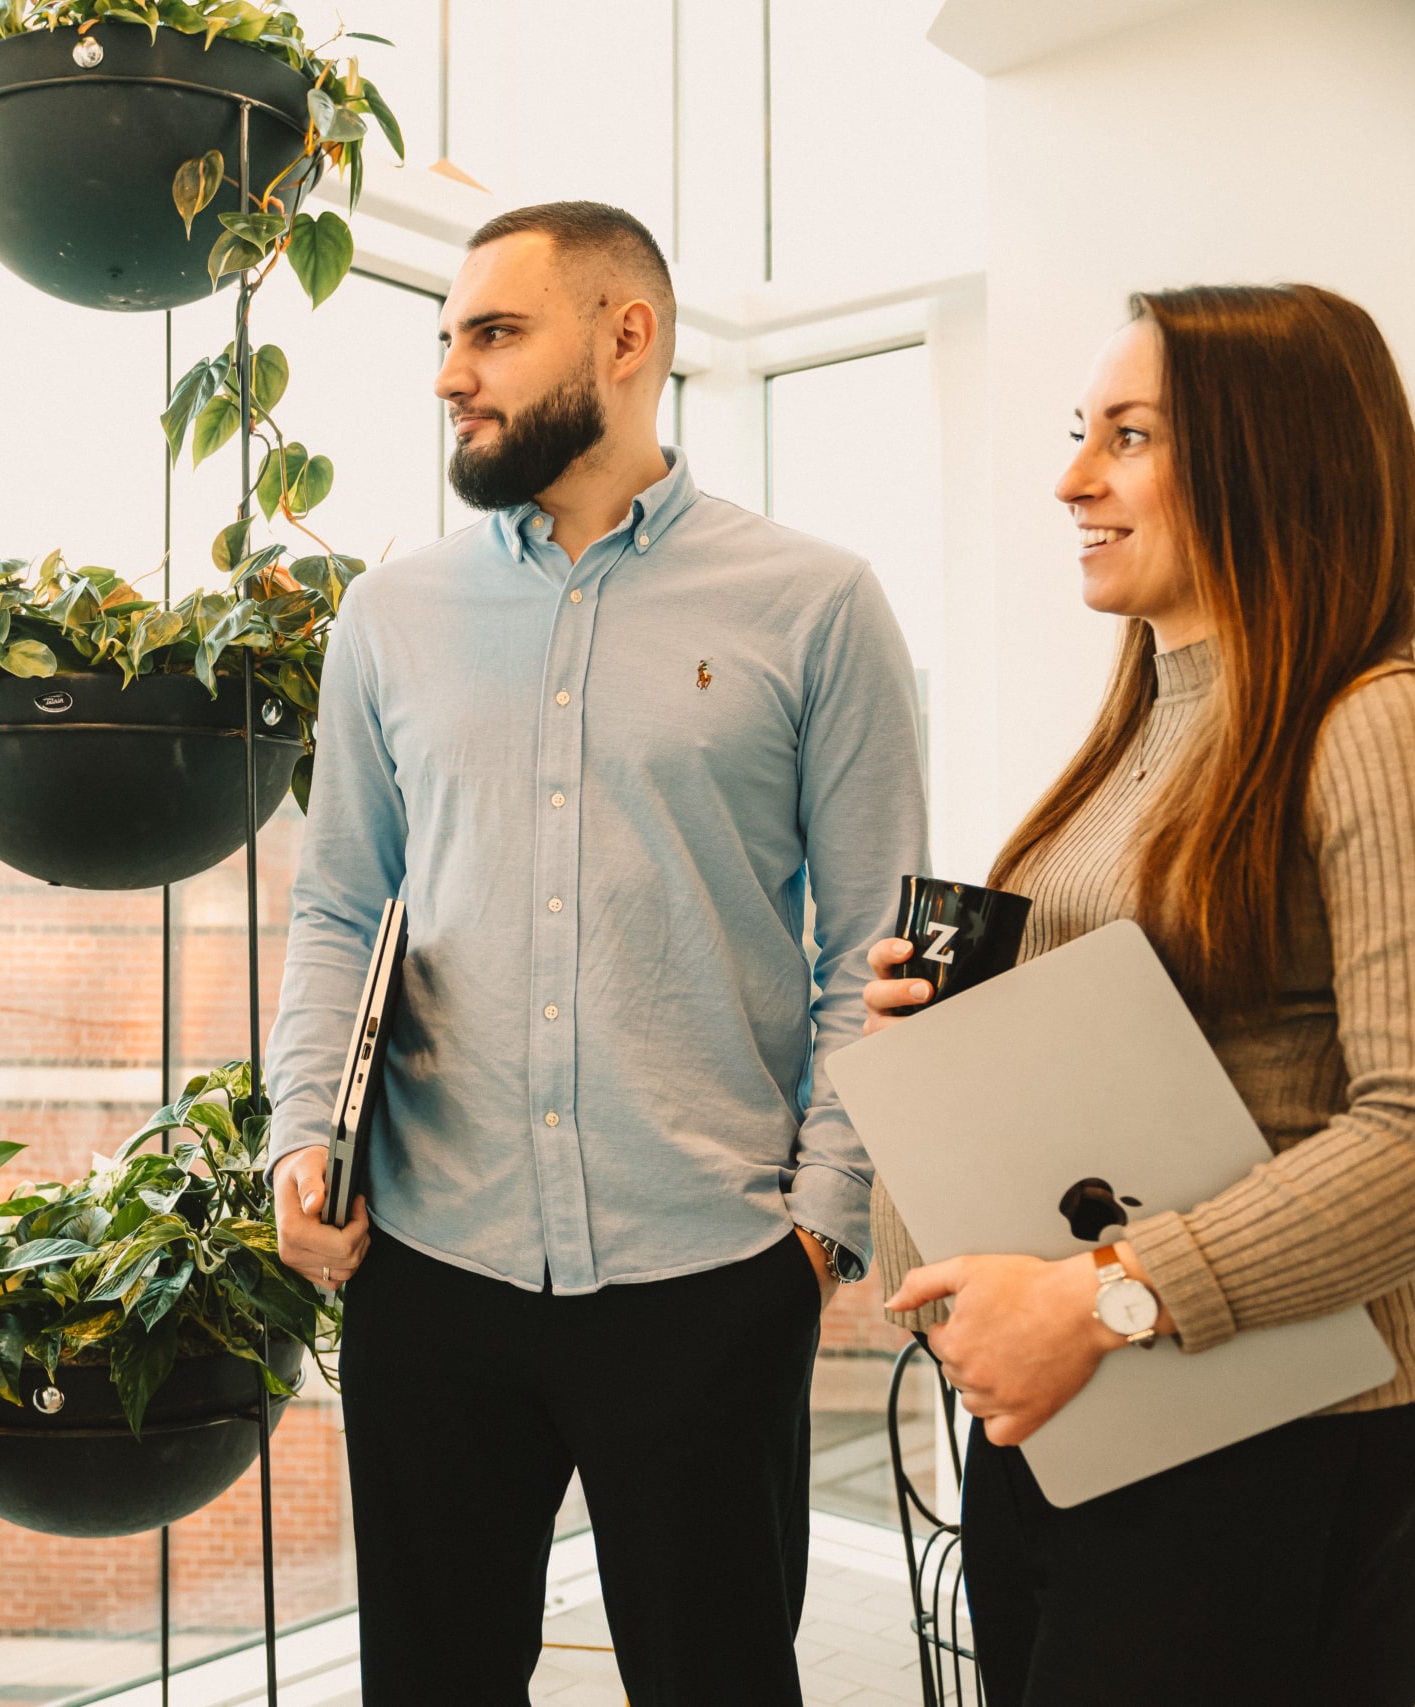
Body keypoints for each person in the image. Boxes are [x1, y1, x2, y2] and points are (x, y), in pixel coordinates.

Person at [266, 201, 928, 1704]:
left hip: (710, 1270)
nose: (453, 373)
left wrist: (817, 1224)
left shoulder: (815, 605)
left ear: (627, 338)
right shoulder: (391, 613)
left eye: (493, 333)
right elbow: (338, 905)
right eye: (446, 338)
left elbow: (873, 947)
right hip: (430, 1268)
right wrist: (302, 1134)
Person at [863, 286, 1415, 1705]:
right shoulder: (1120, 760)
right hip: (1084, 1446)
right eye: (1080, 433)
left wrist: (1103, 1301)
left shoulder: (1391, 729)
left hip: (1277, 1463)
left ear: (1267, 463)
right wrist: (931, 1058)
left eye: (1130, 436)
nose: (1072, 477)